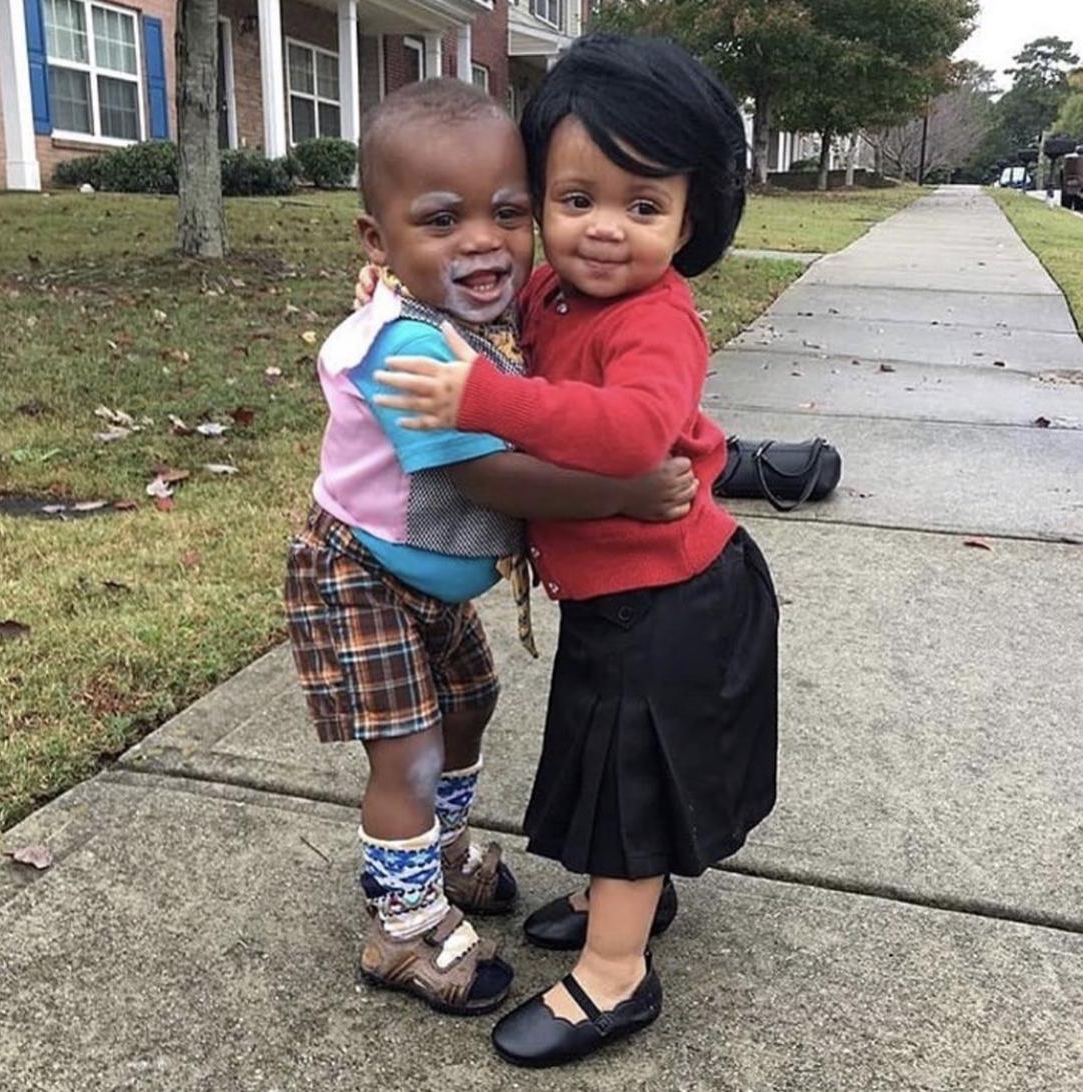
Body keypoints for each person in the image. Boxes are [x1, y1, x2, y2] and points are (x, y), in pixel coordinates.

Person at [373, 35, 779, 1065]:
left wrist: (485, 400)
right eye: (575, 198)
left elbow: (637, 431)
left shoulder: (656, 322)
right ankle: (624, 898)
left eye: (643, 206)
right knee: (608, 769)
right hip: (618, 594)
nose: (604, 228)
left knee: (628, 781)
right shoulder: (555, 295)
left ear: (691, 219)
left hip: (674, 599)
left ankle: (615, 975)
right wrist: (395, 282)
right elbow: (477, 303)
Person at [283, 77, 698, 1021]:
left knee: (470, 703)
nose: (483, 240)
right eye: (442, 220)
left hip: (427, 588)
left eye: (508, 213)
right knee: (409, 752)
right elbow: (487, 477)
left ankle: (441, 851)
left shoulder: (483, 309)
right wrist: (624, 494)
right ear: (377, 241)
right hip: (358, 576)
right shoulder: (406, 352)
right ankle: (401, 926)